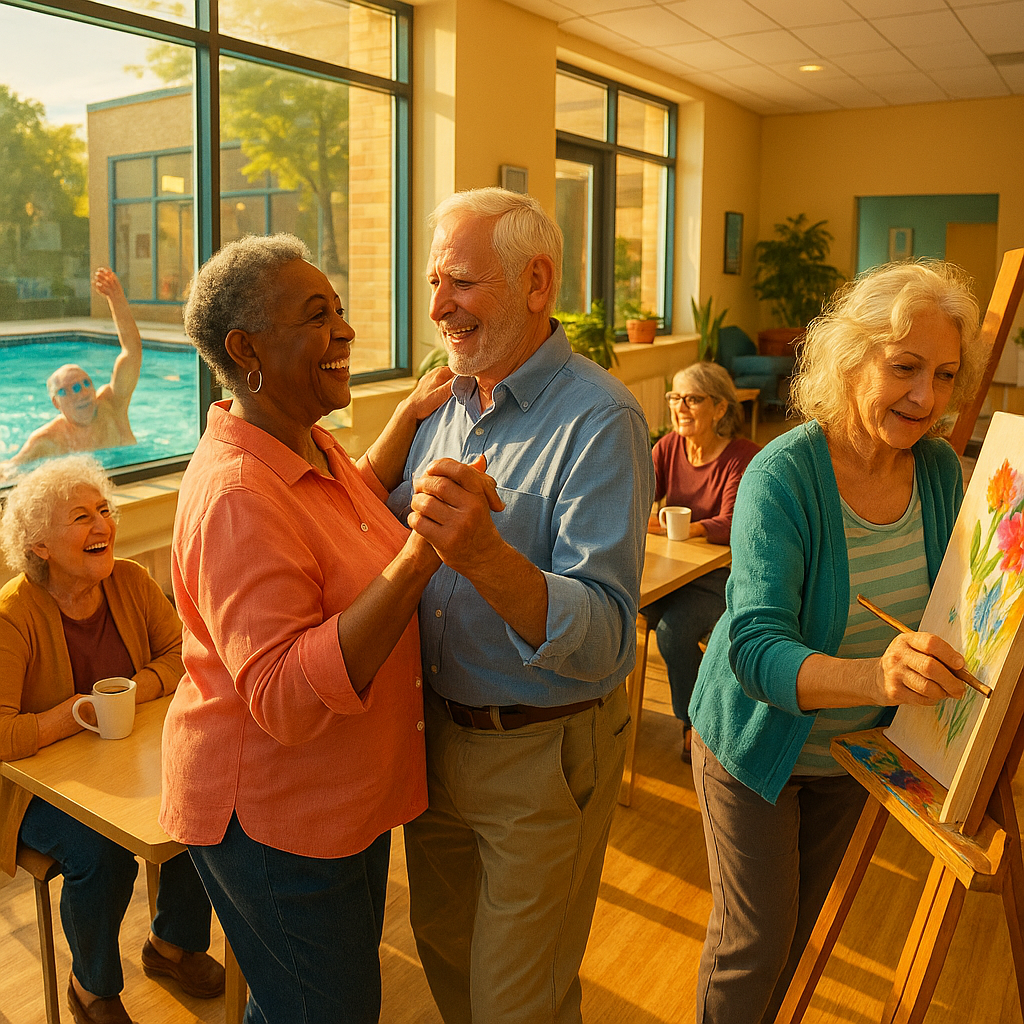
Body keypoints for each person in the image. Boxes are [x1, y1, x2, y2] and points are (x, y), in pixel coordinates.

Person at [159, 233, 455, 1024]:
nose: (346, 331)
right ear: (245, 348)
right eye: (316, 316)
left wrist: (405, 418)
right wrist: (425, 553)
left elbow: (341, 511)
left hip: (340, 798)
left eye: (340, 310)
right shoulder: (238, 495)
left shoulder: (303, 443)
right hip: (270, 818)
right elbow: (285, 698)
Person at [381, 187, 655, 1024]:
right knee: (451, 968)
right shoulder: (444, 405)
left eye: (460, 283)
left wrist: (485, 557)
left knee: (518, 1004)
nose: (436, 308)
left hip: (540, 758)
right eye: (432, 283)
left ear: (537, 283)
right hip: (432, 745)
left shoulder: (602, 421)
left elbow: (609, 638)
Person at [688, 261, 985, 1024]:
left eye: (945, 375)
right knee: (754, 942)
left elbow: (960, 610)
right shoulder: (783, 476)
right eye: (905, 367)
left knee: (801, 934)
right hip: (755, 746)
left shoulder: (940, 472)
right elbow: (755, 647)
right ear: (852, 358)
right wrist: (877, 679)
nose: (926, 397)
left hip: (853, 756)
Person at [0, 455, 223, 1024]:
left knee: (203, 801)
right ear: (39, 544)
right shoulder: (11, 614)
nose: (102, 525)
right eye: (80, 517)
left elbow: (184, 655)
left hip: (122, 762)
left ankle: (172, 944)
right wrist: (76, 714)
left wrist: (137, 686)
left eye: (103, 510)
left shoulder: (131, 581)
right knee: (101, 854)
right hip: (31, 791)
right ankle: (90, 988)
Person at [646, 360, 759, 761]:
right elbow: (639, 496)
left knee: (672, 632)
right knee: (621, 605)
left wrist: (680, 527)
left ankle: (695, 724)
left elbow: (733, 523)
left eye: (692, 399)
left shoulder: (743, 457)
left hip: (719, 573)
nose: (680, 407)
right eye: (675, 397)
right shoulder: (667, 447)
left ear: (720, 408)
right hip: (672, 569)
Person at [4, 269, 142, 471]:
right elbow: (8, 470)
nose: (83, 393)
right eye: (70, 390)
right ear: (55, 403)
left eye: (86, 383)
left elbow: (132, 351)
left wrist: (116, 297)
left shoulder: (113, 405)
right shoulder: (47, 440)